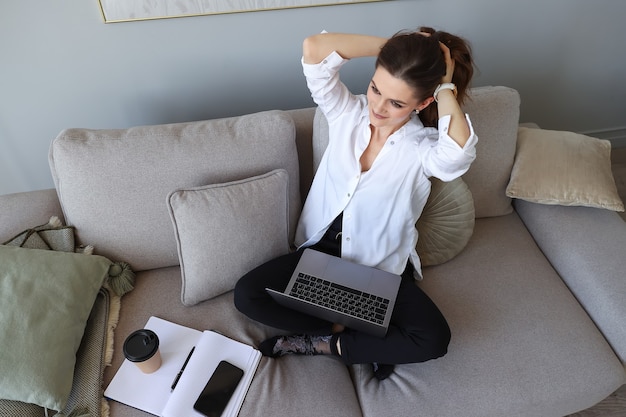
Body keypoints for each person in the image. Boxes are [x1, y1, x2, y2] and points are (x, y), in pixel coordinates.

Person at [234, 27, 477, 380]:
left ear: (424, 103)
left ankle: (323, 344)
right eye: (376, 88)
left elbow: (457, 152)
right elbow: (315, 49)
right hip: (320, 257)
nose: (378, 107)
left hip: (378, 271)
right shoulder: (346, 112)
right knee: (246, 295)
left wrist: (443, 85)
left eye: (396, 103)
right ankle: (345, 332)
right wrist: (396, 48)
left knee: (434, 338)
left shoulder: (424, 148)